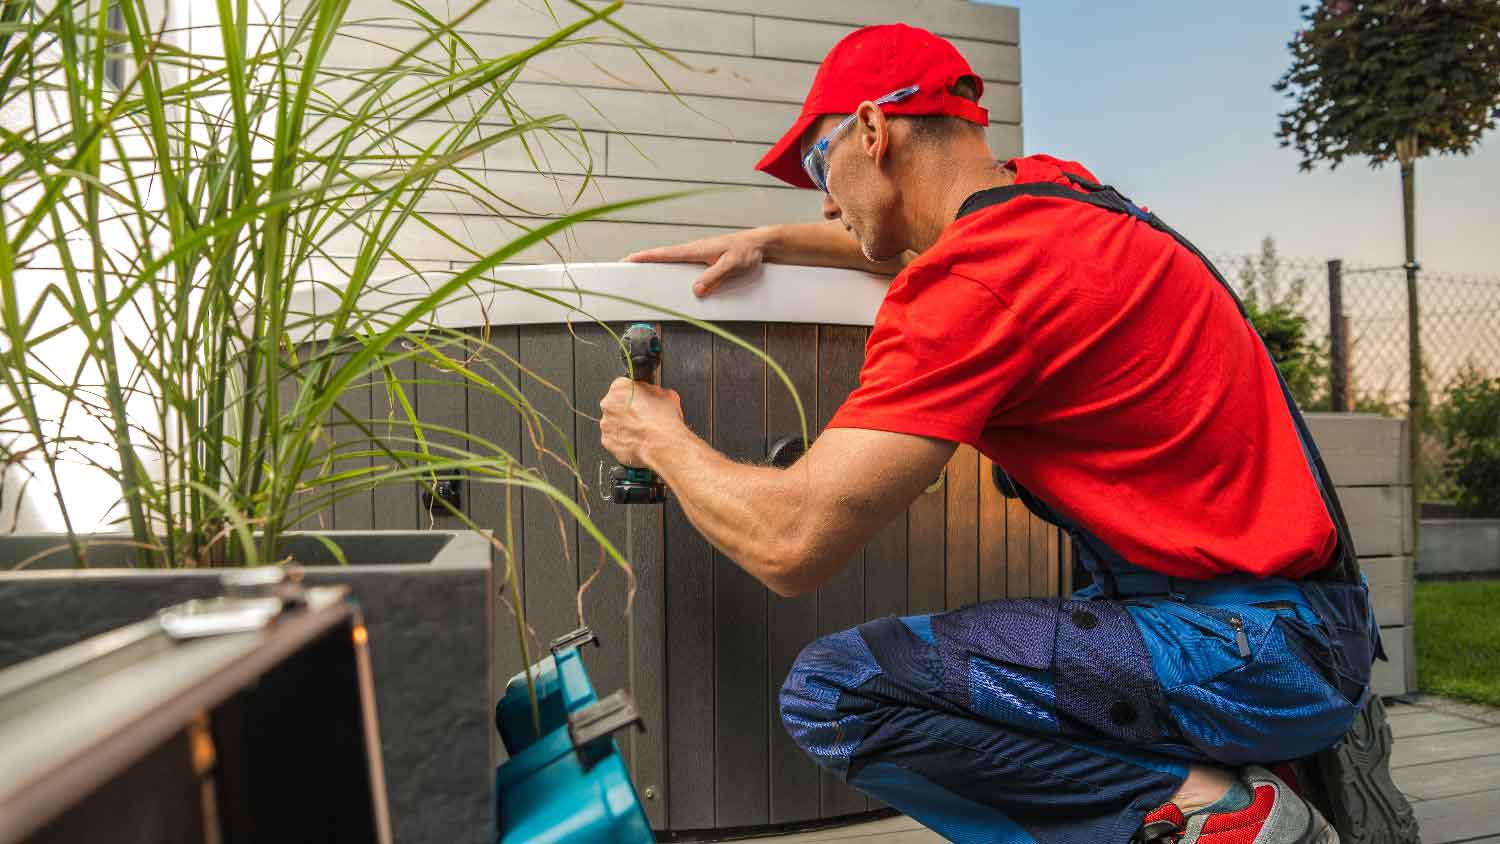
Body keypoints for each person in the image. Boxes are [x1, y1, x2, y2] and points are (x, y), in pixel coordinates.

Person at [598, 23, 1385, 844]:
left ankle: (1225, 820)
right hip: (1308, 633)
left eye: (815, 165)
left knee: (839, 692)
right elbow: (920, 235)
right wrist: (773, 242)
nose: (823, 200)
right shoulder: (1062, 195)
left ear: (873, 131)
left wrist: (658, 438)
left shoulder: (975, 285)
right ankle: (1207, 790)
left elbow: (790, 542)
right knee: (1008, 662)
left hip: (1239, 651)